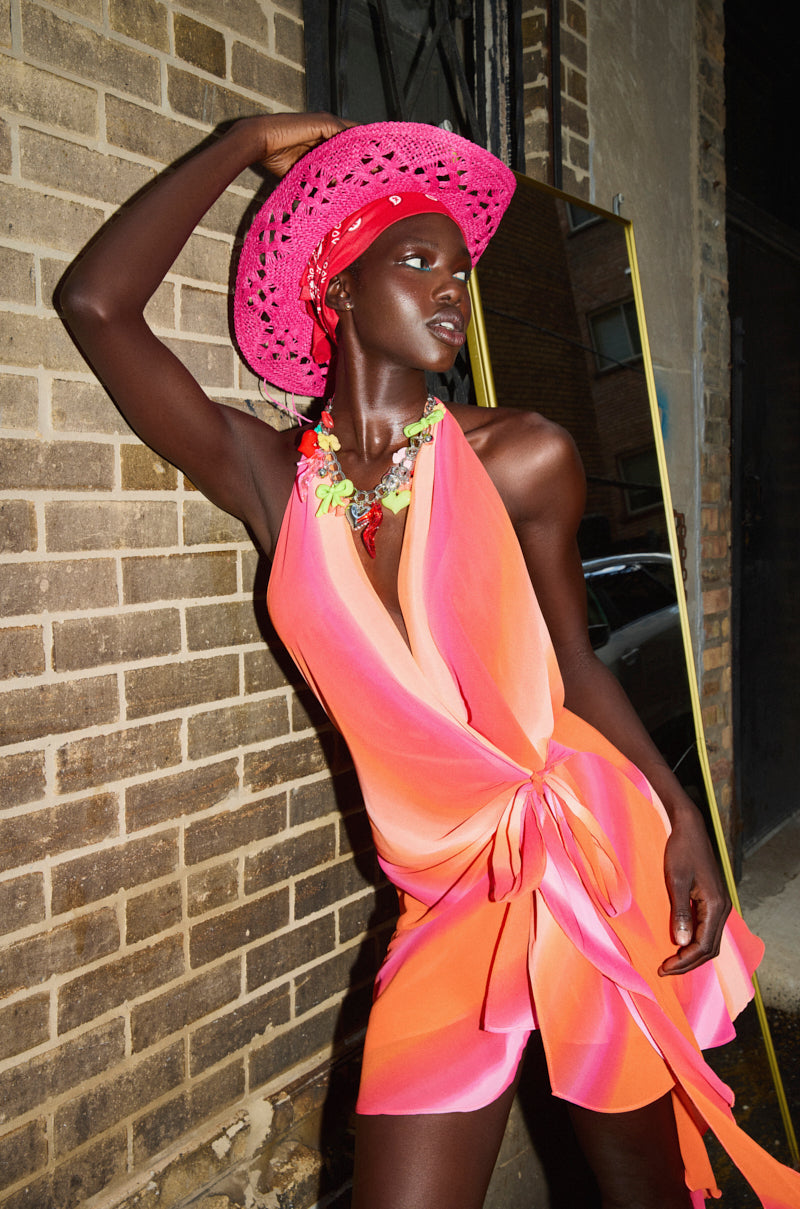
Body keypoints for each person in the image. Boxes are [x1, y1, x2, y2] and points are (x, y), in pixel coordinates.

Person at [61, 113, 800, 1209]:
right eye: (417, 263)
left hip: (579, 861)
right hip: (441, 898)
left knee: (635, 1187)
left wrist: (677, 814)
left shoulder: (522, 457)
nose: (454, 289)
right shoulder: (271, 479)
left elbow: (576, 668)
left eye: (462, 269)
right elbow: (96, 306)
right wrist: (239, 140)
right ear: (336, 290)